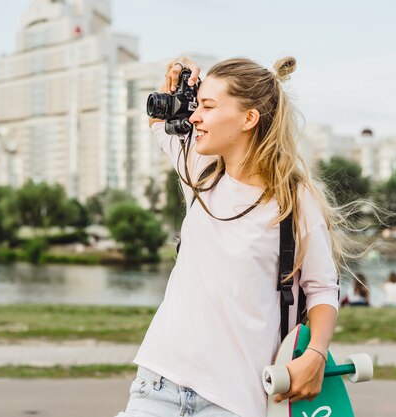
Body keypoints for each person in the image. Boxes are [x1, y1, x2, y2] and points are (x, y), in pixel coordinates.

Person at [113, 56, 364, 417]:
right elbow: (159, 122)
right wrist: (176, 88)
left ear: (249, 119)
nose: (196, 117)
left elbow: (322, 288)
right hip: (158, 384)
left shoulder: (294, 200)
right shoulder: (199, 171)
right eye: (197, 107)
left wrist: (315, 355)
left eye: (209, 107)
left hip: (234, 400)